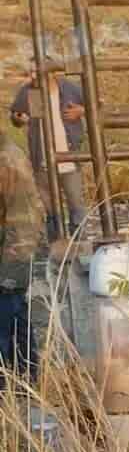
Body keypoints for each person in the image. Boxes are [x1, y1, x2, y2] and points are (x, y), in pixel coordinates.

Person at [10, 69, 87, 242]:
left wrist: (82, 110)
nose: (32, 77)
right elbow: (15, 116)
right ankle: (57, 248)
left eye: (36, 72)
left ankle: (79, 247)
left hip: (68, 157)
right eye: (30, 73)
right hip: (42, 159)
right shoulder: (30, 91)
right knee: (52, 210)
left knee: (76, 205)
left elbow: (98, 105)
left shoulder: (69, 88)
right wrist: (18, 118)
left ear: (51, 71)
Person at [0, 140, 43, 383]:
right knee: (15, 321)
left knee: (7, 323)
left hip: (11, 258)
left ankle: (19, 382)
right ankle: (25, 379)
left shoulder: (9, 161)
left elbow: (24, 222)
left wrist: (10, 273)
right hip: (10, 255)